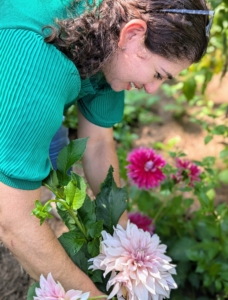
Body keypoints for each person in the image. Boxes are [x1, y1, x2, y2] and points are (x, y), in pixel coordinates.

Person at [0, 0, 212, 297]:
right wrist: (95, 296)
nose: (153, 89)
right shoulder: (35, 63)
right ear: (133, 34)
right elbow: (14, 222)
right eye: (159, 74)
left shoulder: (111, 41)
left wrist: (126, 246)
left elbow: (97, 144)